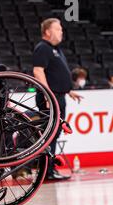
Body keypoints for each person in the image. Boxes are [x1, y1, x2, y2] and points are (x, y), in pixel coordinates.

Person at [33, 18, 83, 181]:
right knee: (50, 134)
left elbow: (56, 74)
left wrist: (68, 90)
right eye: (58, 29)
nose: (61, 31)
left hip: (58, 96)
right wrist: (48, 94)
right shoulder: (43, 48)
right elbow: (38, 71)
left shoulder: (55, 49)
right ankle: (47, 171)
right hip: (50, 98)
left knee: (55, 133)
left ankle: (49, 168)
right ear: (47, 32)